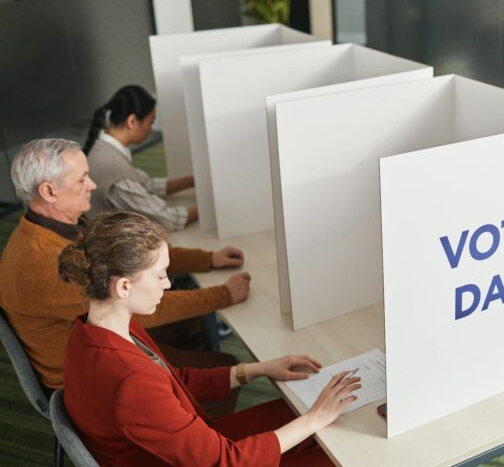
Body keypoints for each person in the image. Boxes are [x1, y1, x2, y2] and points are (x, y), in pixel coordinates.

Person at [60, 211, 359, 466]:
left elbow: (174, 382)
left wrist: (257, 369)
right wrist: (314, 420)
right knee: (339, 455)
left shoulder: (91, 331)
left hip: (188, 444)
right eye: (161, 274)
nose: (167, 284)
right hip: (205, 459)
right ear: (124, 286)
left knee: (310, 415)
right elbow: (226, 461)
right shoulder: (130, 379)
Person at [0, 139, 248, 397]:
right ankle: (189, 422)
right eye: (82, 179)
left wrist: (207, 259)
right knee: (225, 368)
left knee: (193, 327)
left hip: (103, 337)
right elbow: (136, 304)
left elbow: (135, 255)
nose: (92, 186)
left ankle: (185, 397)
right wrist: (223, 295)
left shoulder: (61, 225)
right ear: (49, 191)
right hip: (87, 376)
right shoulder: (44, 262)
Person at [83, 85, 197, 230]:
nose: (151, 129)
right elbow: (167, 219)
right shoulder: (111, 166)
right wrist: (209, 208)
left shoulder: (103, 149)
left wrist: (191, 181)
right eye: (151, 122)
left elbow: (146, 184)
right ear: (132, 122)